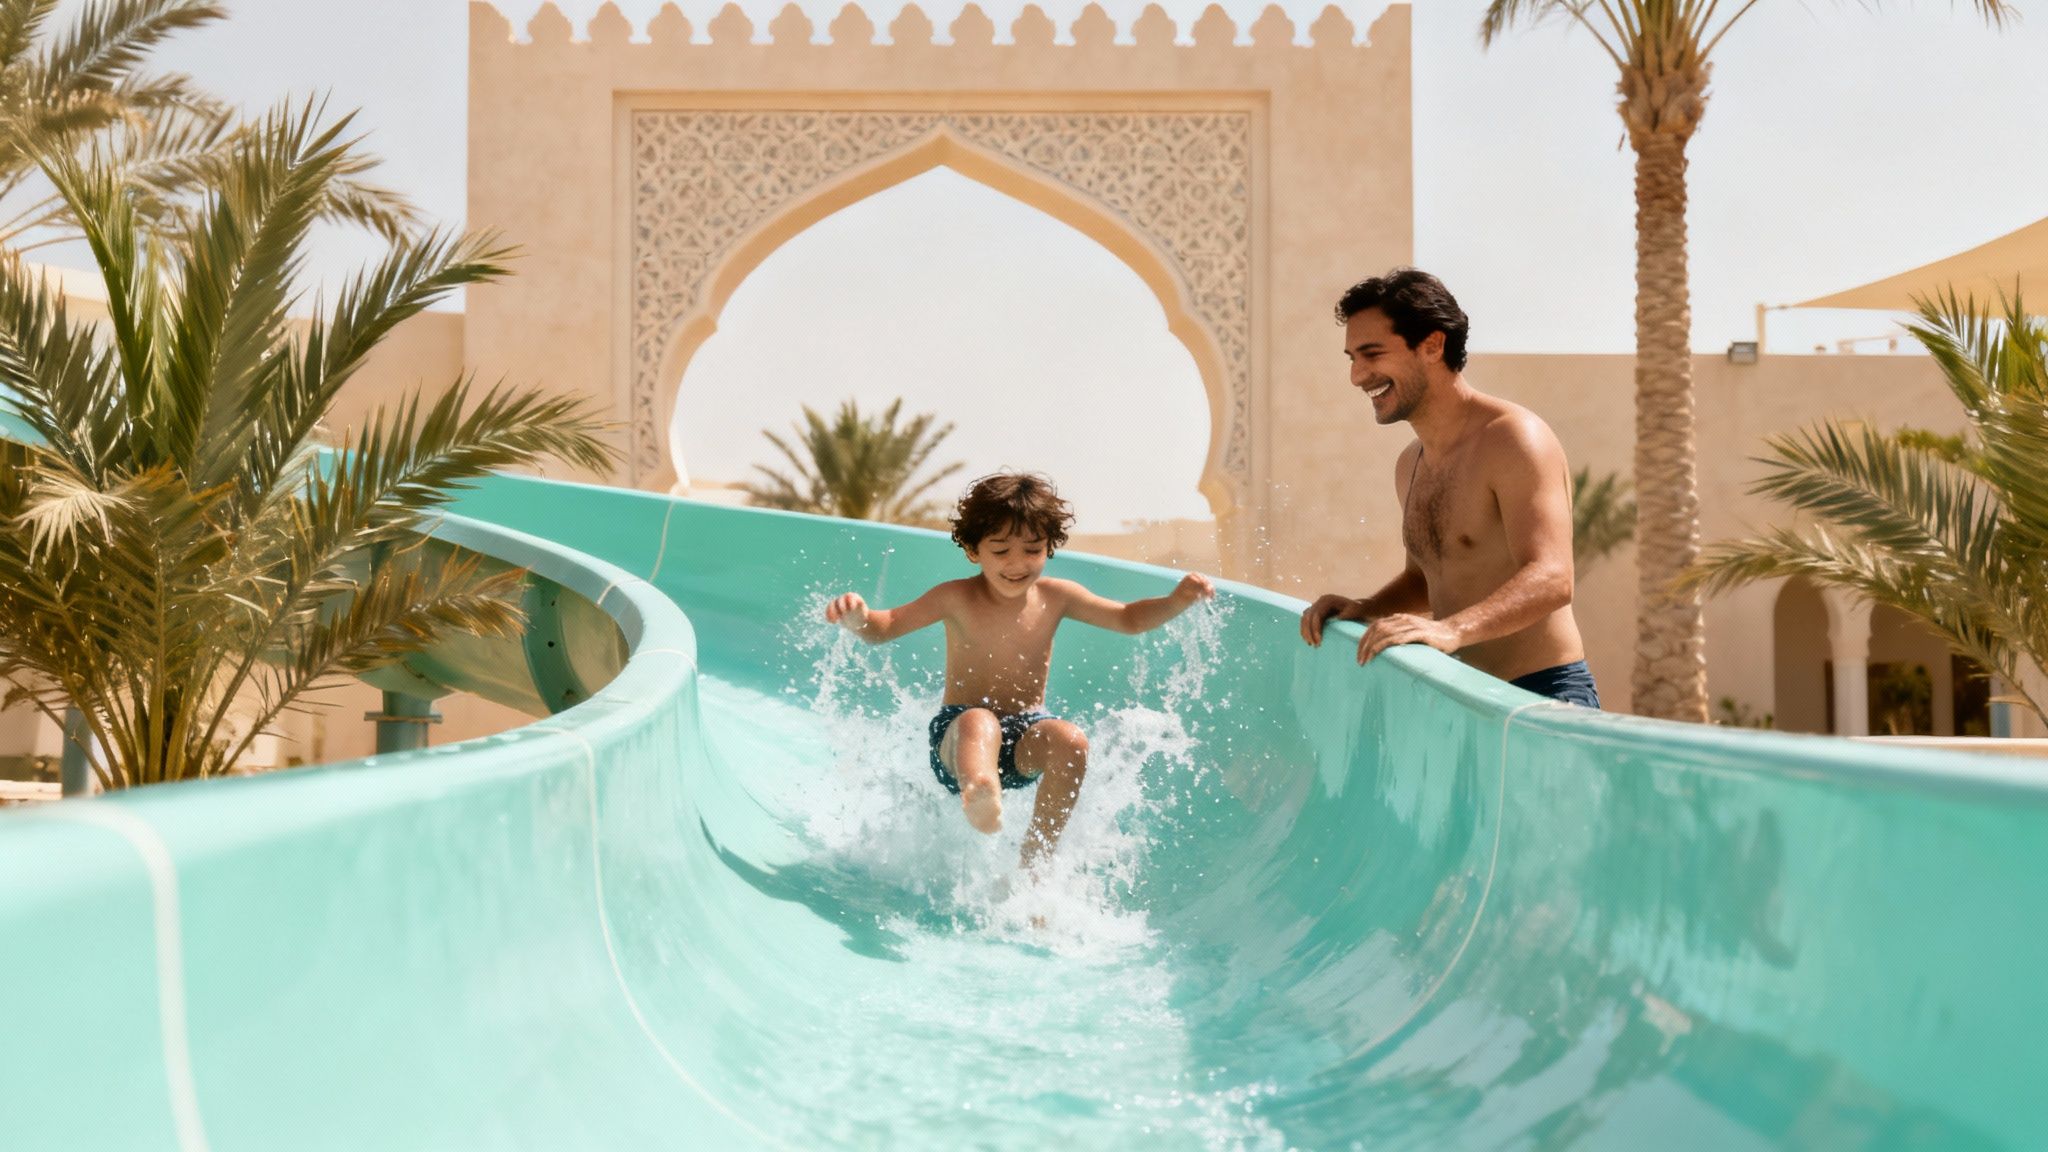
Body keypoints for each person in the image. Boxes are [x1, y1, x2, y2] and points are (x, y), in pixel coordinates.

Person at [825, 471, 1215, 869]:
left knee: (1071, 740)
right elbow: (884, 627)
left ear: (1049, 546)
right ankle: (980, 790)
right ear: (974, 551)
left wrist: (1176, 601)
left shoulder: (1058, 596)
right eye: (1000, 551)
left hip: (1026, 733)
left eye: (1032, 550)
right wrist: (858, 617)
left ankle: (1038, 852)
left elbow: (1129, 619)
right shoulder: (956, 598)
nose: (1017, 564)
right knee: (981, 721)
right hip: (960, 739)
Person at [1298, 268, 1599, 708]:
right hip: (1461, 697)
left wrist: (1450, 630)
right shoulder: (1411, 463)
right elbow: (1427, 578)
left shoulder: (1514, 438)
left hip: (1543, 695)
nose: (1357, 376)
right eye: (1351, 358)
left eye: (1372, 354)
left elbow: (1552, 578)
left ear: (1433, 345)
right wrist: (1365, 608)